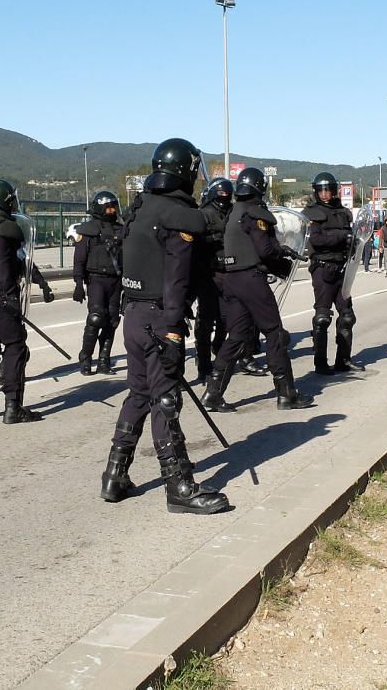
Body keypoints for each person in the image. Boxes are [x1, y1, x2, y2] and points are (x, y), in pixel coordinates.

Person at [102, 138, 230, 513]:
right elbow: (176, 279)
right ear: (187, 172)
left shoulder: (139, 208)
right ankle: (180, 486)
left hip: (135, 314)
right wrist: (173, 329)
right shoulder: (178, 216)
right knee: (165, 400)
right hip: (160, 317)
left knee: (139, 394)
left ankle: (115, 475)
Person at [200, 168, 313, 411]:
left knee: (238, 336)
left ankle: (213, 392)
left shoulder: (233, 213)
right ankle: (286, 393)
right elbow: (264, 249)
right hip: (251, 279)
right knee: (274, 333)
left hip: (232, 280)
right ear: (260, 187)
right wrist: (281, 253)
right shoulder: (255, 213)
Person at [0, 179, 49, 424]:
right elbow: (6, 268)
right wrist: (9, 298)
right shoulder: (6, 230)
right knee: (16, 347)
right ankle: (12, 407)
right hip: (1, 297)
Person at [302, 172, 363, 375]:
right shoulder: (311, 213)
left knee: (347, 317)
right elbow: (316, 241)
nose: (325, 194)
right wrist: (340, 236)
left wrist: (355, 245)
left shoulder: (344, 213)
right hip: (322, 268)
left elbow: (352, 240)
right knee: (322, 318)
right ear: (316, 192)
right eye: (321, 190)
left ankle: (343, 360)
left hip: (343, 268)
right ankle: (320, 362)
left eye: (328, 189)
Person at [72, 190, 124, 376]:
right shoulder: (88, 229)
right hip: (96, 280)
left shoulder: (120, 229)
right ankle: (86, 358)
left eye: (113, 207)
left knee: (112, 320)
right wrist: (78, 283)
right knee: (96, 317)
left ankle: (104, 360)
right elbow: (79, 259)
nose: (111, 210)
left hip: (116, 280)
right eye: (108, 207)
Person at [191, 178, 232, 383]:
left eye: (227, 194)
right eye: (221, 194)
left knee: (227, 319)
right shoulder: (204, 214)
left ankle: (219, 348)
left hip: (229, 272)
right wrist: (212, 239)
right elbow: (194, 243)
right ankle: (204, 363)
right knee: (205, 321)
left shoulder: (233, 212)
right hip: (209, 273)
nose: (224, 198)